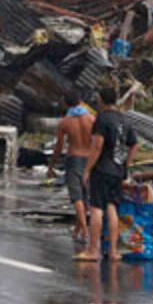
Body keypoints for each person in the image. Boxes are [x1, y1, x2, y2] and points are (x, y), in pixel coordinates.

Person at [79, 86, 138, 263]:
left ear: (101, 100)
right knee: (112, 208)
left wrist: (87, 169)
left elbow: (97, 146)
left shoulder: (102, 119)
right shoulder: (124, 119)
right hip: (118, 171)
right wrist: (125, 165)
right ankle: (112, 251)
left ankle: (92, 251)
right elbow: (134, 144)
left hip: (102, 169)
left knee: (97, 208)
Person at [51, 101, 96, 245]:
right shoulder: (92, 119)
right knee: (85, 195)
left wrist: (52, 164)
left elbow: (59, 145)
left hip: (74, 158)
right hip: (90, 159)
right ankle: (78, 228)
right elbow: (98, 142)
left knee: (76, 196)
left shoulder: (65, 121)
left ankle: (84, 229)